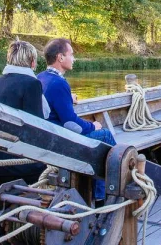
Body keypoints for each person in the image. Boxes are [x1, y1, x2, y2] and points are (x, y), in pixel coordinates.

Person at [37, 38, 116, 203]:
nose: (74, 58)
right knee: (105, 136)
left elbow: (52, 101)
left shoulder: (41, 78)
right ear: (60, 58)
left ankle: (100, 193)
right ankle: (105, 195)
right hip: (62, 142)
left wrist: (68, 98)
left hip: (48, 137)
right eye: (71, 54)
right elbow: (71, 124)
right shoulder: (59, 83)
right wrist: (92, 125)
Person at [0, 40, 48, 184]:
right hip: (11, 168)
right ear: (32, 62)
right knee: (57, 167)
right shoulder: (31, 83)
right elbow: (37, 128)